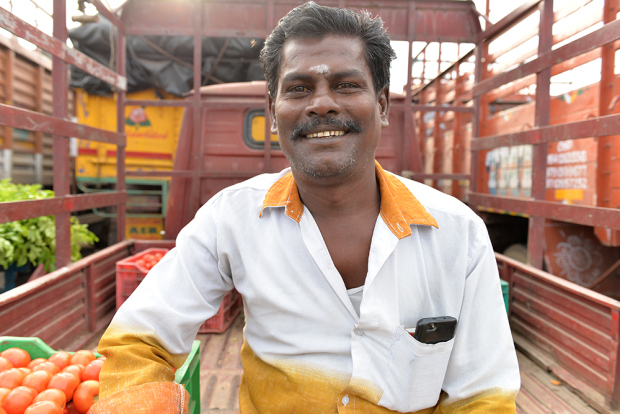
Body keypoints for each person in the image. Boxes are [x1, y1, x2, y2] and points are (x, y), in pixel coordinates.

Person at [91, 2, 520, 413]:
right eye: (299, 89)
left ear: (383, 106)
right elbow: (137, 340)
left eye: (346, 85)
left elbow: (483, 394)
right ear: (274, 115)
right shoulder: (232, 218)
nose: (322, 103)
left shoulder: (457, 232)